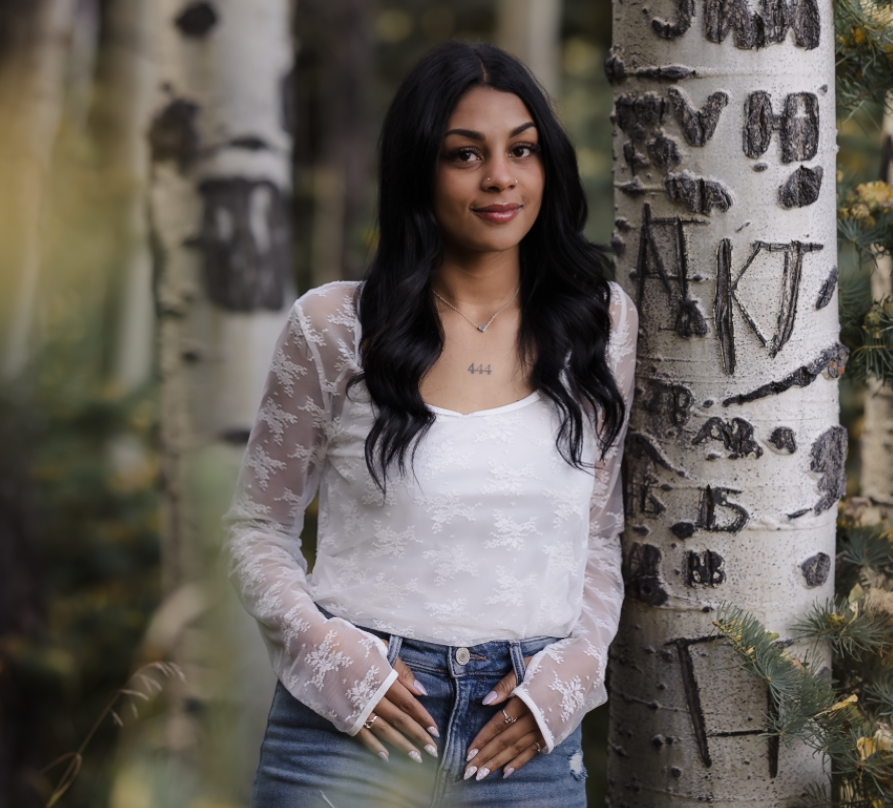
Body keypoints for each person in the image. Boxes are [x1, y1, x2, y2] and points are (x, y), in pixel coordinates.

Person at [225, 41, 636, 807]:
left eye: (522, 150)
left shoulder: (600, 324)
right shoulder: (335, 326)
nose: (500, 178)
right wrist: (332, 660)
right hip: (350, 733)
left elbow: (600, 533)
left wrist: (570, 679)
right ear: (420, 170)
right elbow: (256, 528)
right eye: (464, 155)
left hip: (524, 744)